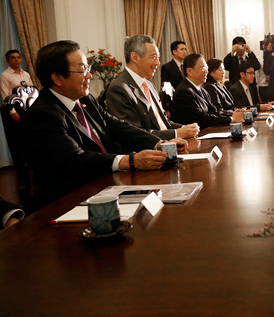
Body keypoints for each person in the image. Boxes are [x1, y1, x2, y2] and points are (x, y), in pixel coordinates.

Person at [26, 40, 187, 209]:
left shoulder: (85, 99)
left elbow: (115, 125)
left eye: (88, 68)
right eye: (82, 70)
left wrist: (157, 142)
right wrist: (129, 161)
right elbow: (75, 159)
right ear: (57, 78)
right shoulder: (43, 114)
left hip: (108, 185)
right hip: (71, 201)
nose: (90, 75)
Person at [107, 35, 199, 140]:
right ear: (135, 57)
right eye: (153, 57)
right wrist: (176, 133)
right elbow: (135, 134)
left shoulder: (149, 85)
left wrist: (185, 129)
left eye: (158, 57)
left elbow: (163, 123)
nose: (158, 63)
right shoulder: (119, 89)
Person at [171, 53, 245, 127]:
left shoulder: (202, 90)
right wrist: (231, 118)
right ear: (189, 71)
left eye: (206, 68)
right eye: (203, 68)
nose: (206, 71)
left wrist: (234, 113)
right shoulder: (184, 91)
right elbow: (200, 119)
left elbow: (214, 112)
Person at [0, 50, 33, 122]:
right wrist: (12, 112)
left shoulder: (26, 74)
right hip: (15, 107)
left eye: (18, 57)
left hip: (28, 106)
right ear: (7, 61)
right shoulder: (5, 75)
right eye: (13, 58)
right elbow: (5, 96)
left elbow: (32, 91)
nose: (16, 59)